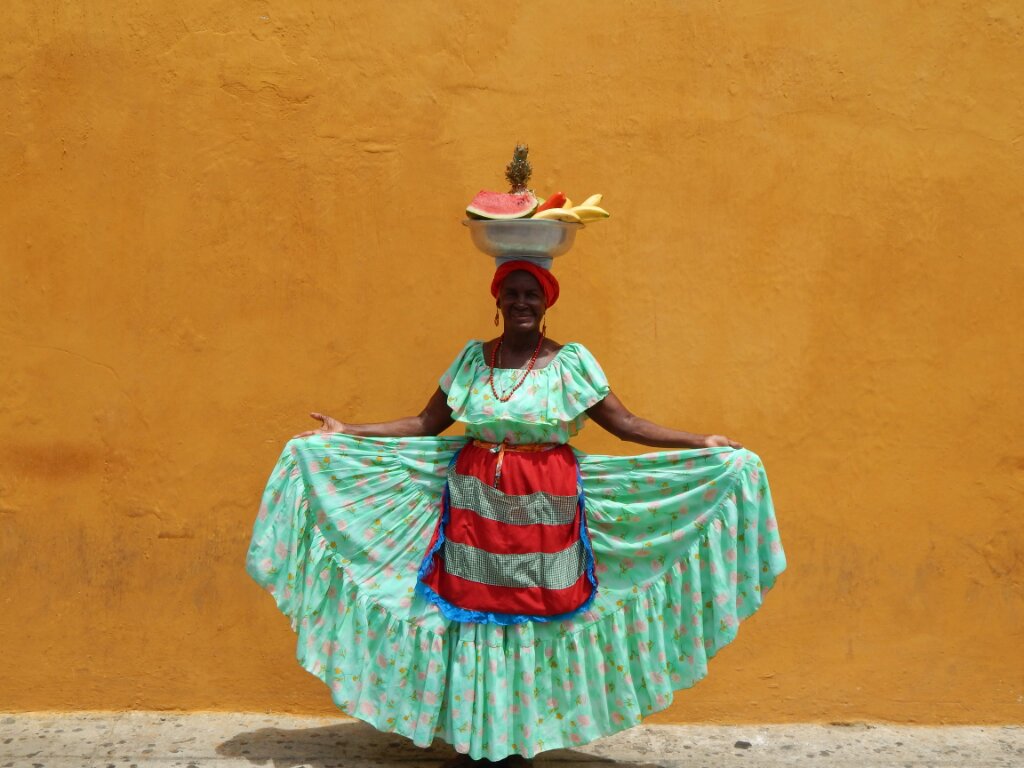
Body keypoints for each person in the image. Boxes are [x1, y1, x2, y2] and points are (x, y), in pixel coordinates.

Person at [247, 260, 786, 763]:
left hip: (548, 506)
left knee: (534, 612)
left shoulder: (571, 363)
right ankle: (478, 735)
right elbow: (425, 423)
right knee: (474, 612)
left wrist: (700, 442)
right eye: (512, 293)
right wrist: (349, 431)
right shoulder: (471, 361)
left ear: (547, 303)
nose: (522, 302)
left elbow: (626, 424)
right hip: (474, 504)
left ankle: (520, 737)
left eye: (532, 294)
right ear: (498, 300)